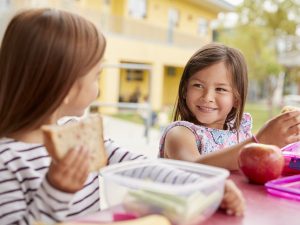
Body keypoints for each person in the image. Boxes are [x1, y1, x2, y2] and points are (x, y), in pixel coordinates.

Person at [0, 10, 244, 225]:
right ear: (65, 88)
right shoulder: (6, 162)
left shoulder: (79, 138)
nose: (100, 88)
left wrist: (209, 189)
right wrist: (55, 191)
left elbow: (146, 168)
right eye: (96, 76)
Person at [159, 43, 300, 171]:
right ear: (185, 90)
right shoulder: (179, 134)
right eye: (198, 85)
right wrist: (260, 142)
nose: (207, 97)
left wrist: (282, 141)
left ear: (236, 99)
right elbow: (193, 169)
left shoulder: (241, 134)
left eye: (220, 89)